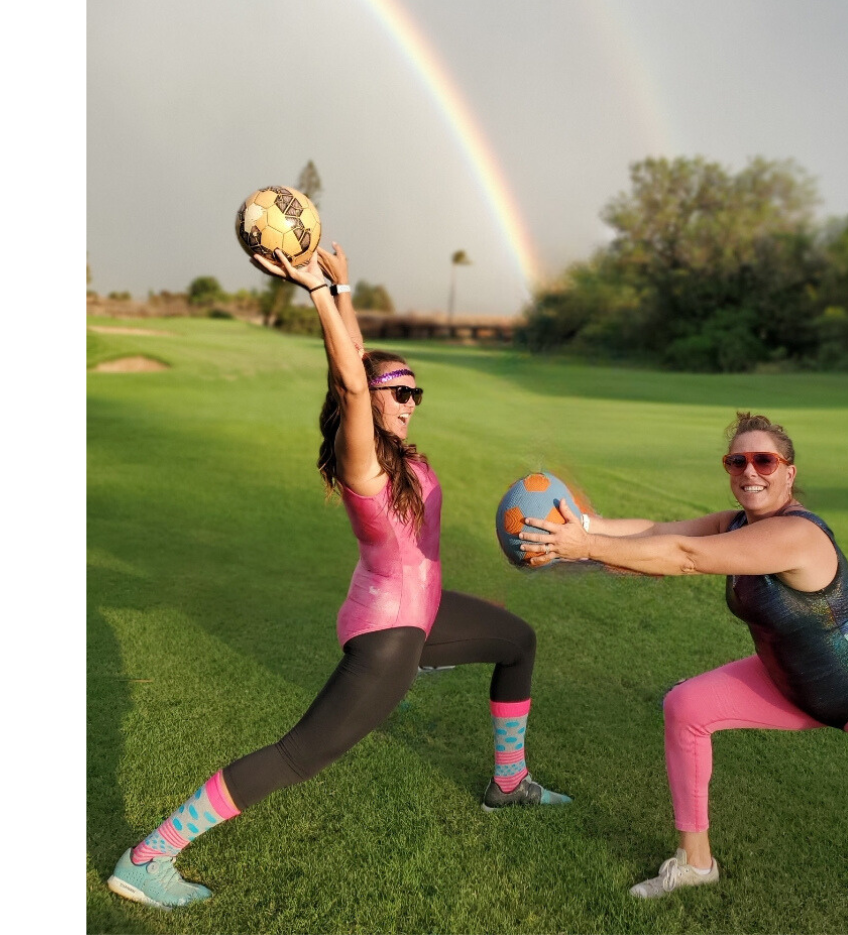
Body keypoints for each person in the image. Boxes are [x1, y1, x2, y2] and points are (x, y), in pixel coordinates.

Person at [108, 243, 569, 911]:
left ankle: (509, 780)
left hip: (420, 611)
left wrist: (344, 286)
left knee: (516, 641)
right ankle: (149, 857)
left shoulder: (395, 450)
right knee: (301, 755)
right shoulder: (365, 464)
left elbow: (360, 366)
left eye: (417, 391)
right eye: (400, 392)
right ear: (370, 400)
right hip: (389, 632)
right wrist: (317, 291)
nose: (412, 402)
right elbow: (352, 379)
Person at [519, 411, 848, 900]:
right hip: (788, 683)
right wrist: (583, 528)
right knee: (688, 707)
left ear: (789, 473)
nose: (750, 472)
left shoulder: (798, 535)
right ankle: (695, 864)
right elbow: (661, 529)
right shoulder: (736, 523)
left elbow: (686, 556)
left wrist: (588, 547)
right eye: (737, 461)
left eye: (765, 461)